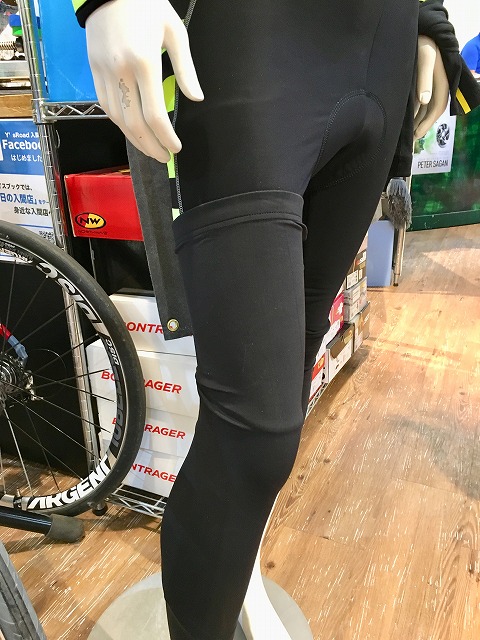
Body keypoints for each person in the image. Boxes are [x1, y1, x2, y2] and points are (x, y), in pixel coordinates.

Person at [73, 1, 461, 638]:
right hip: (253, 40)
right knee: (255, 430)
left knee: (289, 373)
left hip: (385, 50)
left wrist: (429, 17)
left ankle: (240, 576)